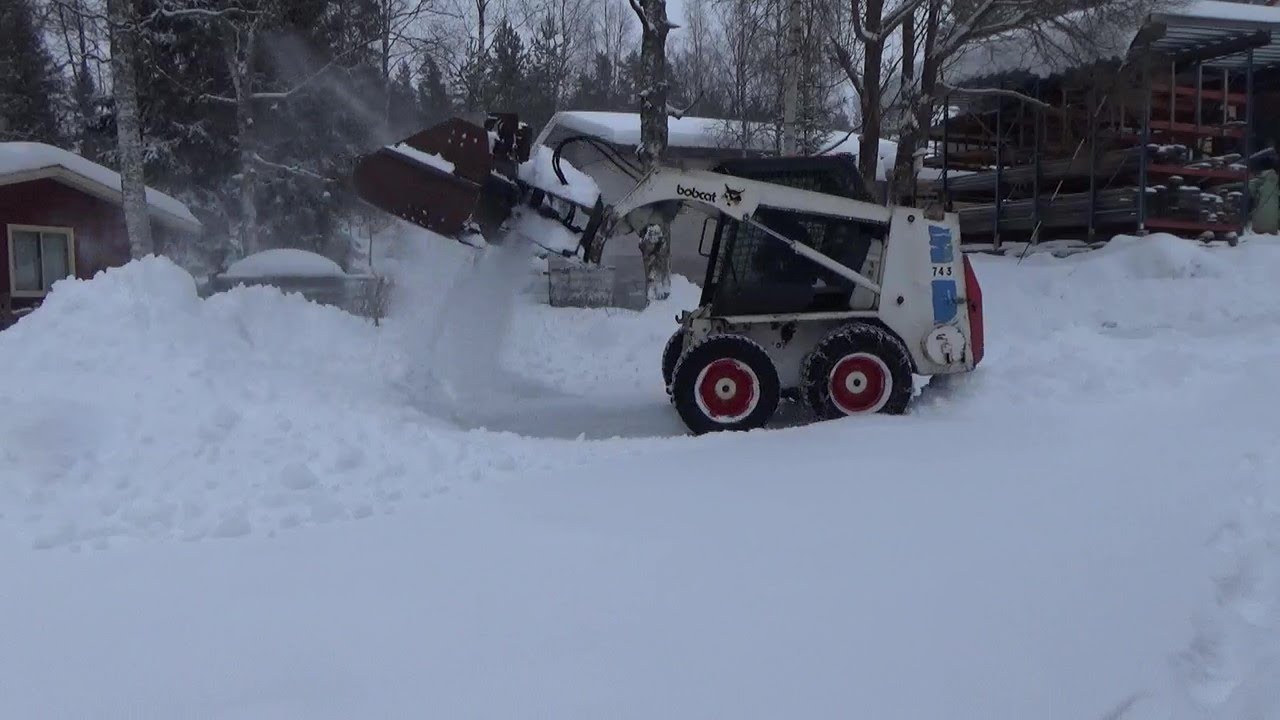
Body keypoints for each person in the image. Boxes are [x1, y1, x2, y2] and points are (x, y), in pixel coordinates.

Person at [1248, 155, 1280, 234]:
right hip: (1274, 227)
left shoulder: (1256, 181)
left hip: (1257, 228)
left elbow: (1250, 195)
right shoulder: (1276, 181)